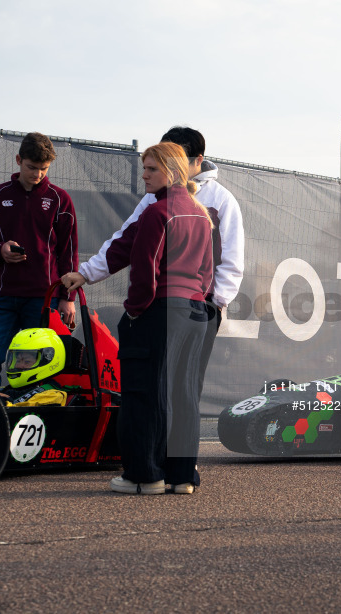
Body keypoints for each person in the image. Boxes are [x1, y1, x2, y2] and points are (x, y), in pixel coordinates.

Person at [62, 142, 214, 496]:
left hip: (159, 311)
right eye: (144, 168)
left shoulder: (157, 212)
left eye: (152, 170)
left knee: (144, 393)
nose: (144, 175)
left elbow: (143, 271)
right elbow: (207, 273)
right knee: (183, 395)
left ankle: (145, 476)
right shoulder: (200, 213)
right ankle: (181, 477)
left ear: (173, 172)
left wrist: (134, 311)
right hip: (195, 312)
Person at [77, 126, 243, 388]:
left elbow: (231, 260)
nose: (168, 163)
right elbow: (126, 239)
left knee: (186, 387)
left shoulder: (222, 200)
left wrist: (215, 304)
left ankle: (175, 431)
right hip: (161, 307)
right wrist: (87, 272)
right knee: (159, 387)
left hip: (200, 308)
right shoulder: (154, 199)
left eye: (176, 156)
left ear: (197, 160)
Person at [0, 132, 78, 389]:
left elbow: (69, 252)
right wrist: (1, 250)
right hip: (4, 297)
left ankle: (30, 417)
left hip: (44, 300)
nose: (38, 174)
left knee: (36, 367)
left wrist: (68, 298)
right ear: (19, 160)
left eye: (44, 169)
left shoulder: (60, 199)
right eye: (32, 167)